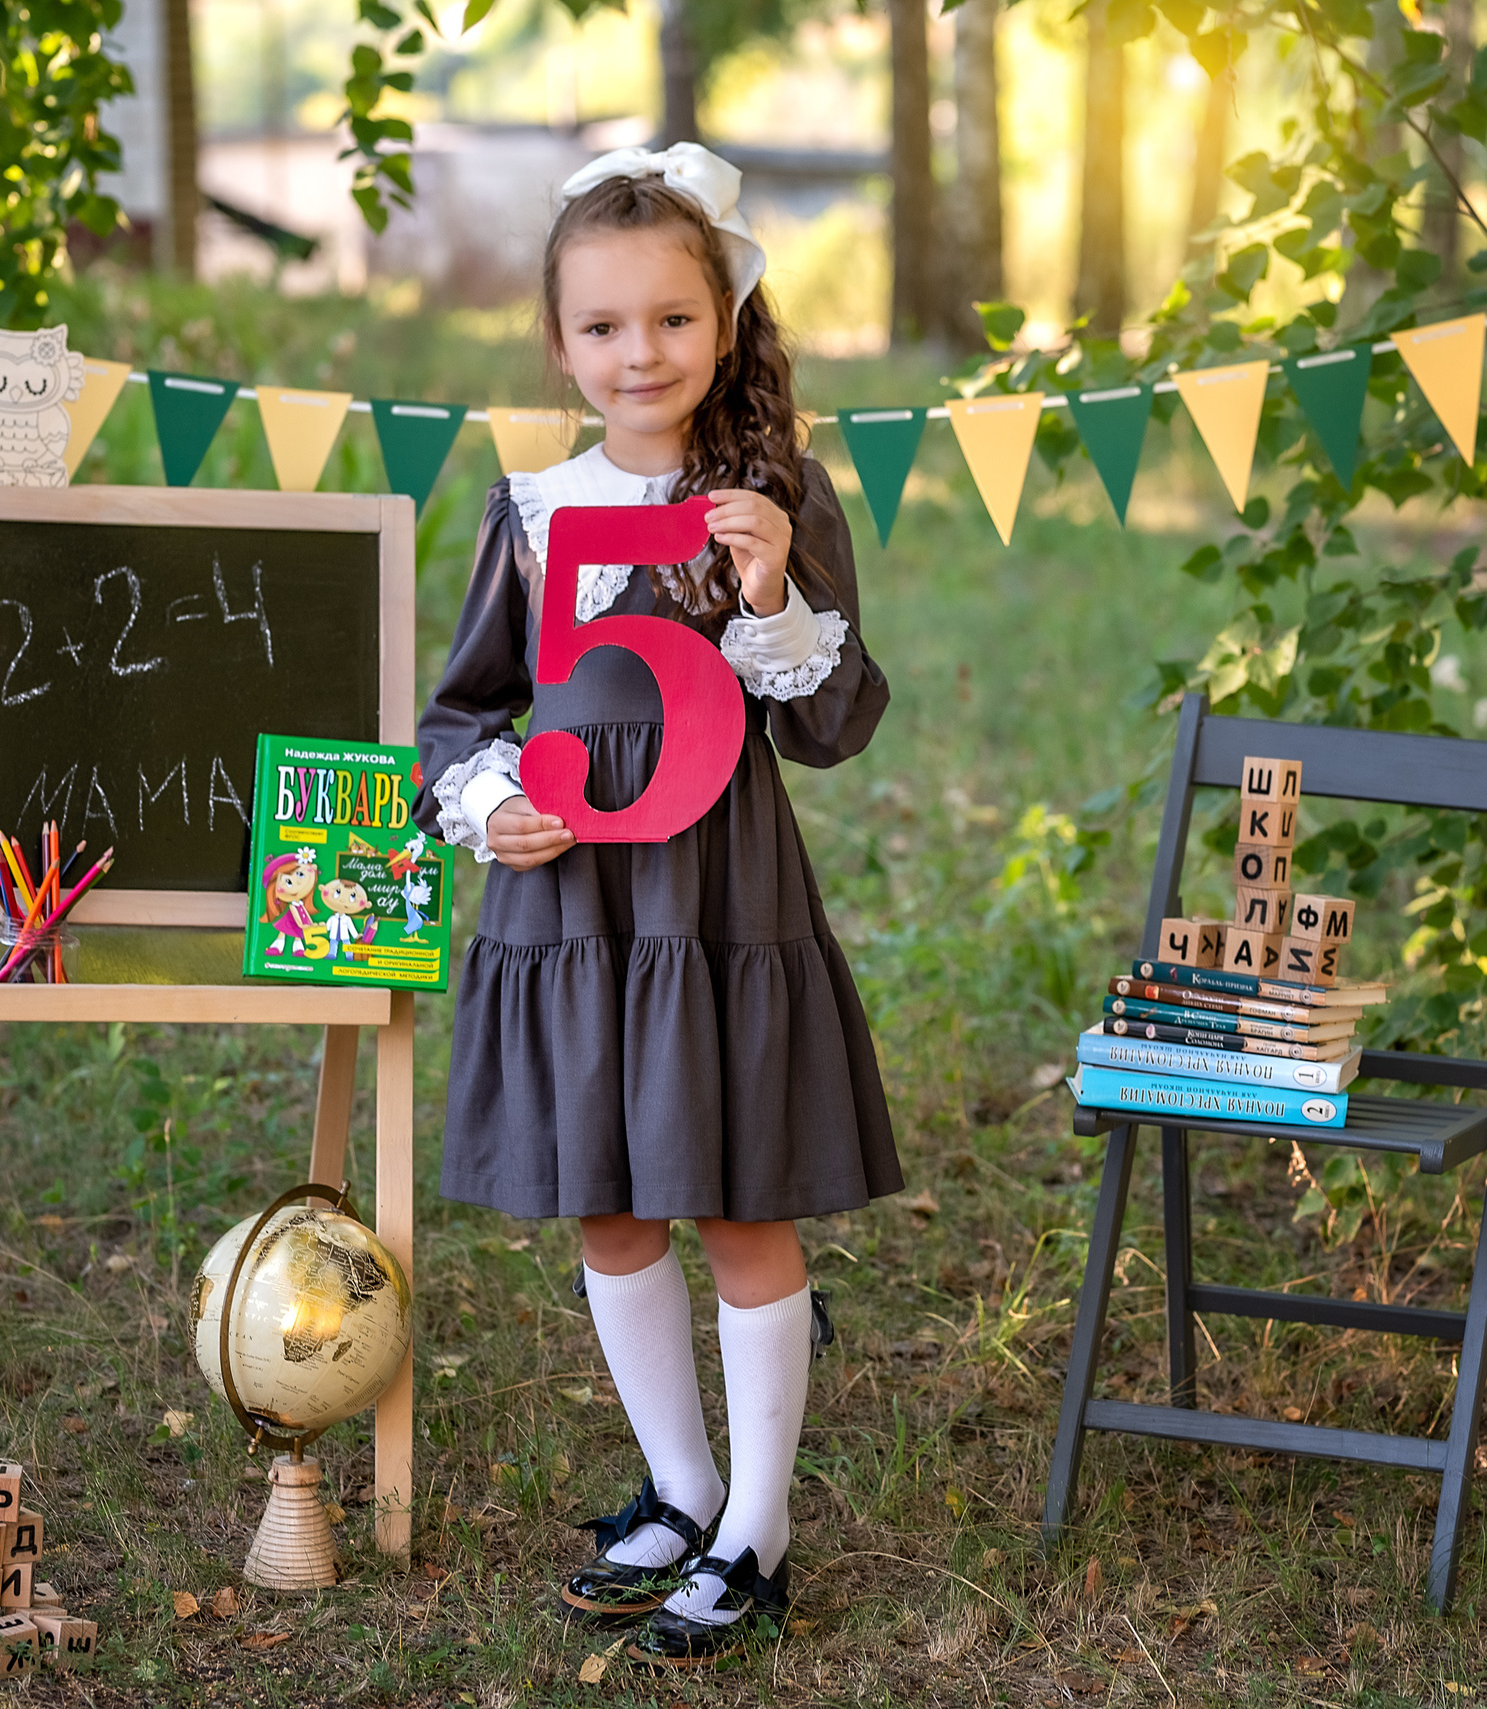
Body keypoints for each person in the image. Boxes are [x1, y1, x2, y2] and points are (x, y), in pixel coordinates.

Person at [413, 141, 901, 1667]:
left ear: (724, 321)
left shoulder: (767, 498)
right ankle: (683, 1489)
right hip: (575, 914)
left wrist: (772, 599)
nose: (642, 354)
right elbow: (461, 713)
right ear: (559, 343)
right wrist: (493, 801)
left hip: (718, 897)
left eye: (673, 321)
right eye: (606, 327)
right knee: (613, 1200)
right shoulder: (536, 507)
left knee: (738, 1196)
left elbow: (831, 723)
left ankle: (758, 1524)